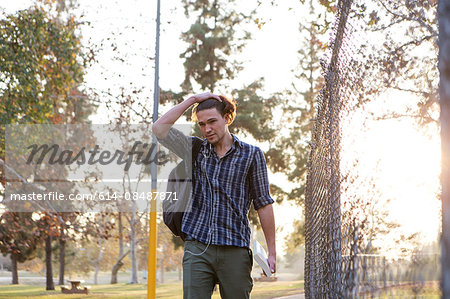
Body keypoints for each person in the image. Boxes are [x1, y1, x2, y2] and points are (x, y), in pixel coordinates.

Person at [152, 92, 276, 299]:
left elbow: (263, 203)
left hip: (235, 246)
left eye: (212, 121)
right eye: (201, 124)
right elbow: (159, 129)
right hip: (198, 246)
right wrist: (192, 100)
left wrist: (272, 252)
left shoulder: (252, 154)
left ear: (227, 118)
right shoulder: (194, 149)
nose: (207, 129)